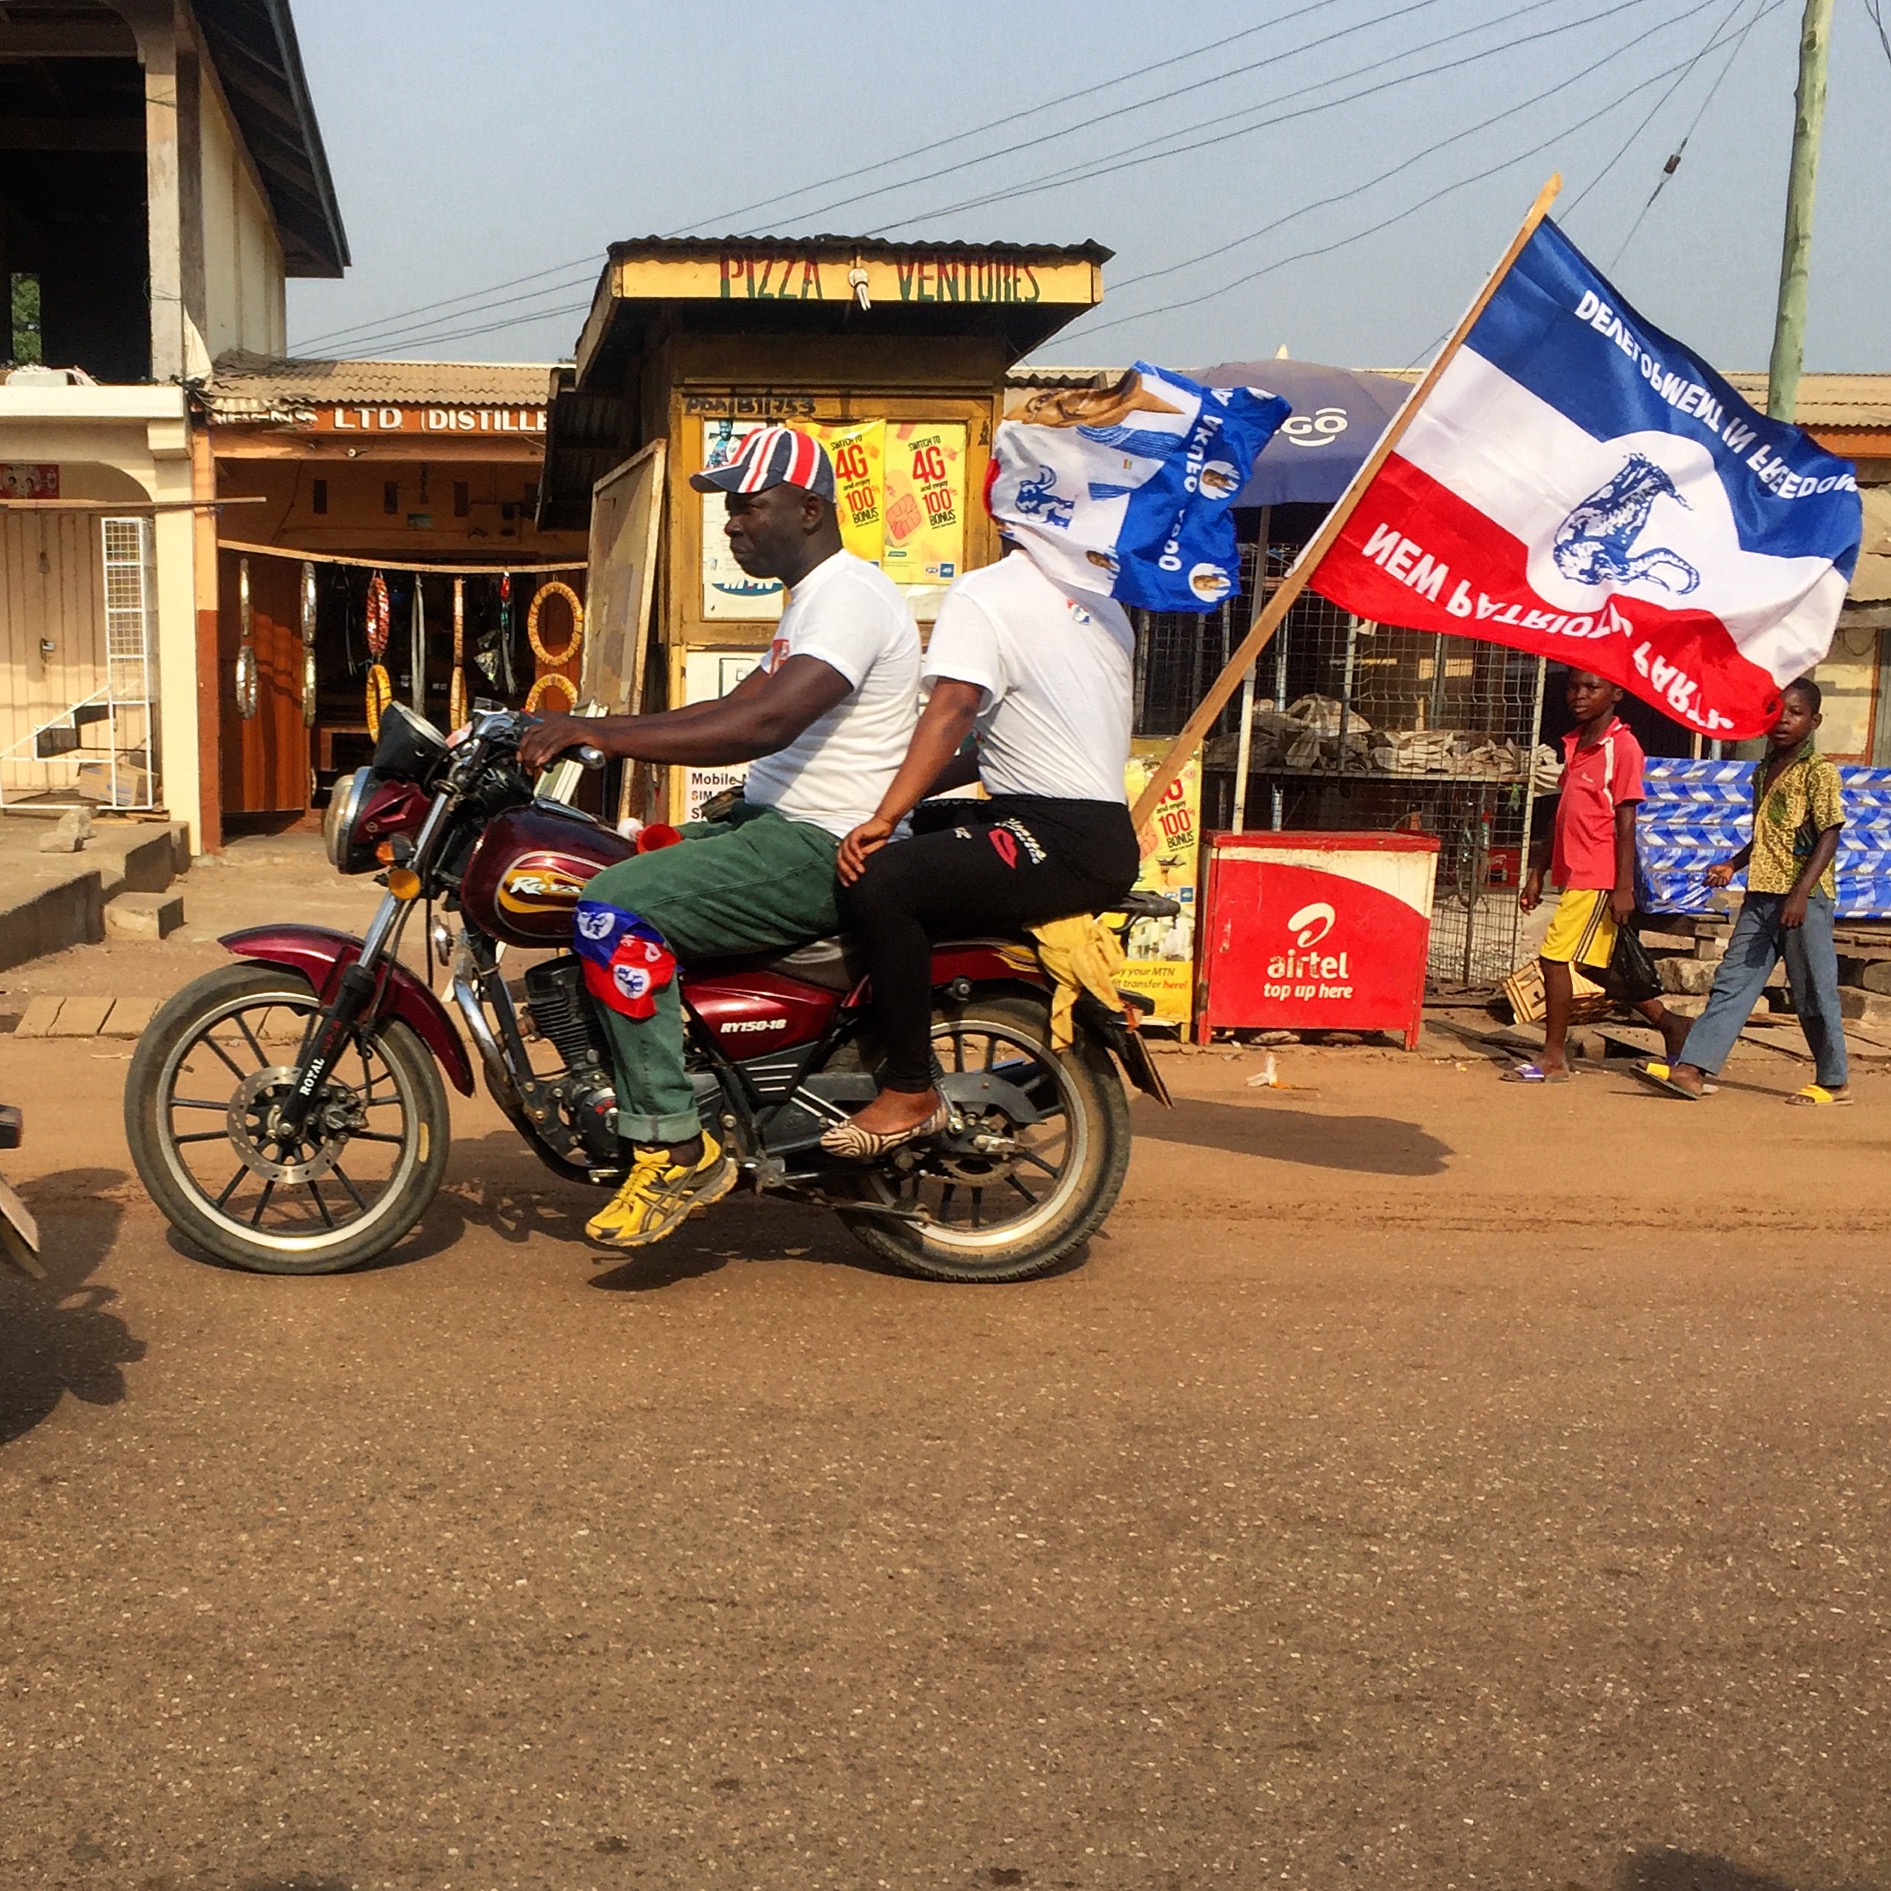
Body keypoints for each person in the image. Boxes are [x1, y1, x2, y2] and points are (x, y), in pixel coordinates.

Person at [517, 425, 919, 1246]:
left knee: (611, 909)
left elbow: (765, 721)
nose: (732, 523)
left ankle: (672, 1145)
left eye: (747, 505)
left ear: (809, 509)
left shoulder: (848, 596)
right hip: (776, 825)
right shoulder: (811, 600)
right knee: (619, 862)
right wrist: (590, 726)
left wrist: (604, 737)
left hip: (819, 844)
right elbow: (721, 711)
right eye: (728, 508)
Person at [823, 542, 1142, 1156]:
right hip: (1074, 825)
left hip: (1056, 834)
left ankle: (910, 1086)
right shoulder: (1103, 601)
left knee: (882, 879)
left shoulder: (986, 591)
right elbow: (987, 750)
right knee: (912, 835)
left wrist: (886, 814)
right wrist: (884, 797)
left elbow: (956, 706)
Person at [1637, 677, 1849, 1105]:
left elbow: (1830, 834)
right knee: (1733, 982)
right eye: (1776, 711)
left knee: (1812, 991)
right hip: (1760, 897)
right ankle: (1693, 1068)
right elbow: (1767, 834)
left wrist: (1799, 894)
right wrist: (1733, 864)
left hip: (1803, 899)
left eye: (1795, 713)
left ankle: (1834, 1080)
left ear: (1815, 720)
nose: (1783, 721)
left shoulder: (1818, 772)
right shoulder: (1762, 770)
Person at [1511, 669, 1692, 1083]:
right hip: (1571, 871)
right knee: (1595, 968)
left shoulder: (1622, 747)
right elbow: (1561, 815)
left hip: (1598, 873)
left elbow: (1626, 822)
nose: (1579, 695)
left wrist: (1623, 886)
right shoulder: (1576, 744)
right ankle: (1671, 1025)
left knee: (1553, 958)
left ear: (1616, 693)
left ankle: (1554, 1057)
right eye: (1574, 687)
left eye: (1591, 688)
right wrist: (1538, 872)